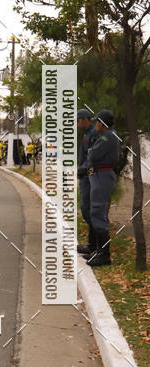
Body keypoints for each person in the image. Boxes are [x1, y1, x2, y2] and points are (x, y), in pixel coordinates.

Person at [85, 109, 120, 267]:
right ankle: (100, 251)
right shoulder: (107, 135)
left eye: (97, 121)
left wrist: (91, 151)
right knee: (97, 212)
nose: (95, 124)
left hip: (103, 175)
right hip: (100, 174)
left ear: (102, 123)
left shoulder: (107, 136)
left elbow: (92, 155)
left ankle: (104, 255)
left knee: (97, 212)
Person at [76, 109, 97, 257]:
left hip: (89, 175)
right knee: (86, 209)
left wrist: (82, 170)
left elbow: (92, 158)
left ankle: (95, 246)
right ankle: (91, 244)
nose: (76, 124)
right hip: (85, 175)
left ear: (84, 119)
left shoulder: (94, 133)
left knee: (90, 210)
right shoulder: (87, 133)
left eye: (77, 121)